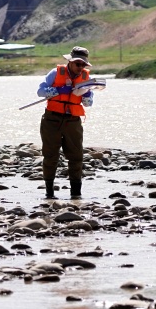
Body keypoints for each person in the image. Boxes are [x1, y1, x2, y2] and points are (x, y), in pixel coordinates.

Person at [36, 46, 94, 200]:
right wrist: (58, 90)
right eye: (78, 64)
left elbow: (88, 104)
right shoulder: (55, 73)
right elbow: (40, 91)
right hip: (51, 119)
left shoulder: (86, 78)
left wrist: (87, 94)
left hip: (73, 121)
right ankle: (49, 193)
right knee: (50, 156)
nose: (80, 68)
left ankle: (76, 195)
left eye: (83, 65)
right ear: (70, 62)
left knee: (76, 156)